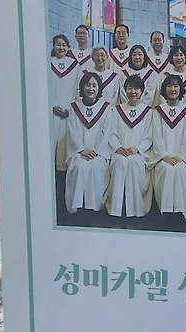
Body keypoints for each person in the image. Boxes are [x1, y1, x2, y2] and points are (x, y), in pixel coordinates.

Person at [65, 70, 113, 214]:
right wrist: (81, 150)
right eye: (87, 85)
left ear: (99, 88)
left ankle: (93, 206)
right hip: (79, 151)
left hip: (98, 153)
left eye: (94, 85)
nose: (90, 88)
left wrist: (96, 151)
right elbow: (72, 131)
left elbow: (107, 133)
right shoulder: (74, 107)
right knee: (79, 165)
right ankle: (77, 205)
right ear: (82, 87)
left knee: (95, 167)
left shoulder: (105, 108)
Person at [106, 75, 153, 218]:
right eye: (130, 88)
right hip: (119, 151)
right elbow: (110, 133)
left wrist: (136, 149)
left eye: (136, 88)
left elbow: (149, 136)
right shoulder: (116, 110)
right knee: (119, 161)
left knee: (133, 162)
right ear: (125, 90)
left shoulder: (148, 112)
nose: (133, 92)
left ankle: (134, 209)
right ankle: (117, 208)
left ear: (142, 91)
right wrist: (118, 147)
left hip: (138, 153)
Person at [150, 74, 186, 222]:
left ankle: (181, 211)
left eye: (176, 86)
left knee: (180, 169)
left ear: (181, 89)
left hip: (181, 157)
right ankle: (166, 211)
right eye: (169, 86)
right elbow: (156, 136)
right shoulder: (158, 111)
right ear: (164, 89)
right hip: (163, 156)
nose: (173, 89)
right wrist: (164, 155)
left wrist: (180, 155)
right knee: (166, 169)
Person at [49, 34, 77, 172]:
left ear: (68, 47)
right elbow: (43, 87)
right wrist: (51, 105)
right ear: (53, 46)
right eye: (58, 44)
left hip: (67, 113)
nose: (61, 48)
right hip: (51, 113)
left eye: (64, 45)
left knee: (65, 149)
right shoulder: (47, 63)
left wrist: (69, 109)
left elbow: (77, 89)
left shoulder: (74, 65)